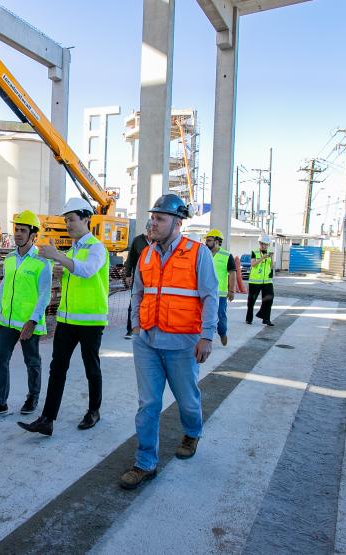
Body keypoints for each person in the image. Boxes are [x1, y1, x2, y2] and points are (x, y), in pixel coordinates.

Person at [118, 194, 218, 490]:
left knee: (187, 400)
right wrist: (136, 326)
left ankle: (192, 432)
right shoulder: (146, 254)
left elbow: (211, 296)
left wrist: (207, 336)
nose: (153, 223)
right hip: (147, 341)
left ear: (178, 222)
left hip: (183, 343)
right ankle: (145, 462)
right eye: (153, 217)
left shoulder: (198, 253)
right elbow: (138, 293)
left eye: (160, 218)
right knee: (148, 403)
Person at [18, 197, 109, 436]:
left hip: (90, 321)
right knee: (57, 368)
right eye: (65, 220)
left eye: (71, 219)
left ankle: (94, 411)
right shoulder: (71, 251)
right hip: (67, 321)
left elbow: (87, 271)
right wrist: (53, 259)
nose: (67, 224)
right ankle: (47, 419)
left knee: (92, 367)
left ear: (86, 219)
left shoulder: (96, 248)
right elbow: (70, 274)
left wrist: (58, 257)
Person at [0, 210, 52, 419]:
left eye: (23, 230)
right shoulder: (9, 258)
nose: (18, 234)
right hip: (7, 322)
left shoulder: (42, 261)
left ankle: (33, 397)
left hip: (28, 323)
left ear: (33, 234)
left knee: (32, 362)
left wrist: (32, 321)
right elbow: (4, 285)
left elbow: (44, 295)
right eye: (16, 229)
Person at [204, 229, 236, 346]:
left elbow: (232, 273)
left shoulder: (227, 255)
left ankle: (222, 333)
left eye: (209, 240)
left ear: (217, 242)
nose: (206, 243)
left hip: (220, 294)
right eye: (206, 240)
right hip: (204, 292)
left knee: (220, 317)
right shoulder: (203, 253)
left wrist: (232, 290)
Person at [123, 220, 152, 339]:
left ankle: (147, 327)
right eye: (149, 230)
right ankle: (130, 329)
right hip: (138, 278)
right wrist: (128, 275)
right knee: (134, 303)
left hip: (152, 280)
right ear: (146, 229)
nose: (151, 232)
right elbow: (130, 259)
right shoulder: (138, 241)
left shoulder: (159, 241)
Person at [246, 235, 275, 326]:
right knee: (251, 301)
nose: (264, 246)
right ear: (259, 243)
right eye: (263, 244)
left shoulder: (270, 253)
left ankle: (266, 319)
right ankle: (249, 319)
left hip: (267, 280)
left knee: (269, 299)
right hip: (255, 281)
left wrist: (272, 258)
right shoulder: (254, 252)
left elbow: (271, 266)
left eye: (266, 244)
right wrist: (262, 258)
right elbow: (253, 264)